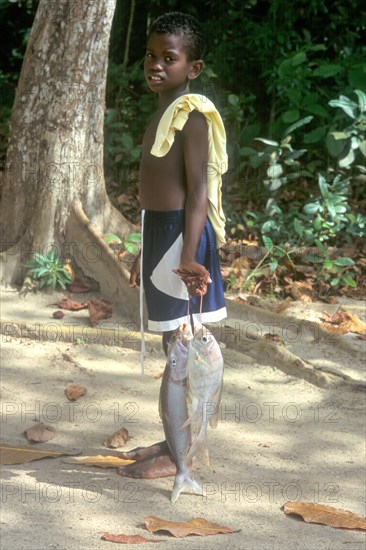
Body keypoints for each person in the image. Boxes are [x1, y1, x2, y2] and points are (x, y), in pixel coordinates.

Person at [118, 11, 227, 479]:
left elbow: (198, 193)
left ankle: (185, 452)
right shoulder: (163, 112)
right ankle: (172, 440)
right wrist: (146, 247)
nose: (155, 65)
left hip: (183, 239)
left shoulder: (193, 118)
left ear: (193, 68)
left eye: (169, 58)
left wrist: (186, 257)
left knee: (187, 347)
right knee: (171, 342)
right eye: (151, 55)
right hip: (160, 233)